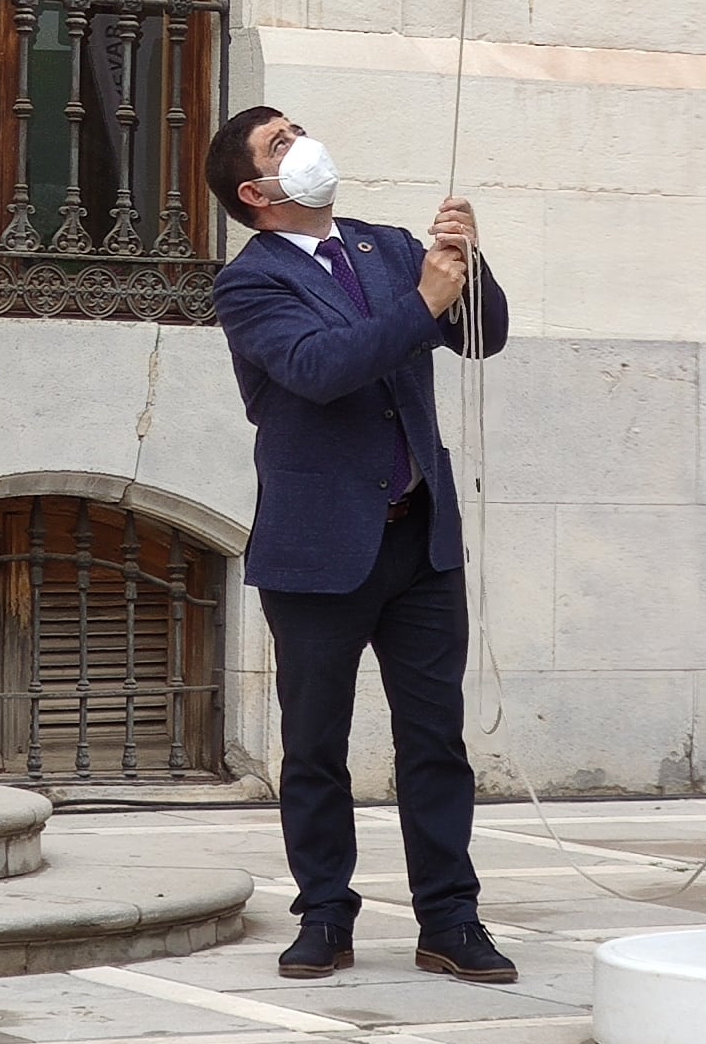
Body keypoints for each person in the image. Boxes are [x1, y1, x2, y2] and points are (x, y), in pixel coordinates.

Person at [208, 107, 516, 986]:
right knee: (315, 744)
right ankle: (326, 916)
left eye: (298, 129)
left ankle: (450, 921)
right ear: (256, 193)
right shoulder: (250, 283)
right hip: (319, 550)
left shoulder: (384, 246)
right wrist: (426, 300)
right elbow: (318, 367)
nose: (303, 145)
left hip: (420, 540)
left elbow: (478, 334)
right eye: (280, 144)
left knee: (435, 741)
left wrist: (468, 263)